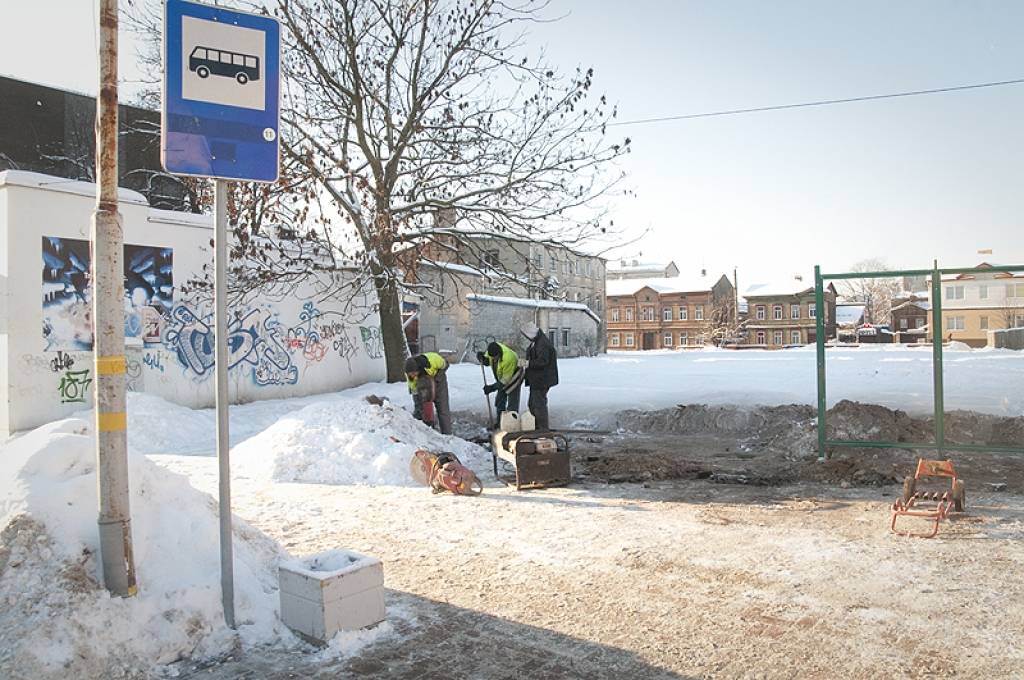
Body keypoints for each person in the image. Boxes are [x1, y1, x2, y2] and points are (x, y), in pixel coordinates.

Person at [520, 322, 558, 431]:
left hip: (542, 380)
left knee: (539, 405)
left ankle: (542, 429)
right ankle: (537, 426)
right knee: (533, 404)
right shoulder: (537, 341)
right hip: (537, 380)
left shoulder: (542, 343)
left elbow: (543, 361)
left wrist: (528, 363)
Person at [476, 341, 523, 429]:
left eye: (495, 358)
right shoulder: (492, 350)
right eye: (492, 358)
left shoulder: (509, 358)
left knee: (512, 403)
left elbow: (505, 381)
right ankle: (500, 423)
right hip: (502, 376)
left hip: (515, 375)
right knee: (499, 401)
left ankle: (512, 425)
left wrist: (492, 388)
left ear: (499, 354)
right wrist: (482, 358)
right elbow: (487, 361)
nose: (493, 360)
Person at [404, 352, 452, 435]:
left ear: (417, 369)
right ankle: (429, 433)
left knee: (442, 408)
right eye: (410, 374)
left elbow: (445, 365)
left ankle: (447, 434)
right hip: (423, 385)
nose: (412, 375)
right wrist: (419, 405)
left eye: (413, 373)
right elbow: (414, 389)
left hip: (439, 381)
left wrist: (437, 378)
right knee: (424, 409)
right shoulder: (410, 376)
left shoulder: (433, 360)